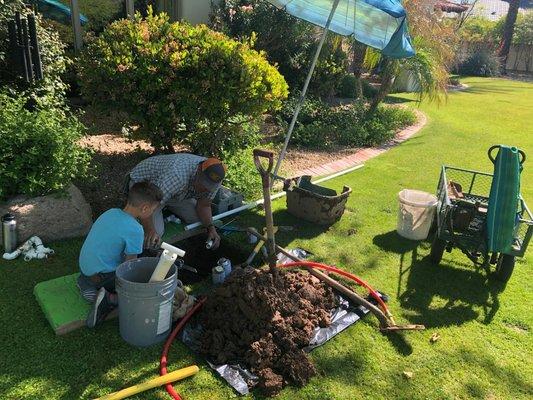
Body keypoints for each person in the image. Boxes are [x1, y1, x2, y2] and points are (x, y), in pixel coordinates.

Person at [77, 181, 163, 328]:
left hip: (86, 268)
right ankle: (110, 299)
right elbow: (129, 267)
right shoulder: (136, 229)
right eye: (153, 210)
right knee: (143, 284)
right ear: (144, 208)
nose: (153, 213)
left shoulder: (110, 212)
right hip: (102, 276)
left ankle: (87, 285)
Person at [128, 153, 226, 250]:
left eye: (208, 186)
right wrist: (150, 230)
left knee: (198, 220)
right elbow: (148, 204)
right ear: (199, 170)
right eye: (203, 183)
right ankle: (140, 213)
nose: (204, 188)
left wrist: (210, 227)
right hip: (145, 188)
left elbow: (204, 205)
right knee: (155, 235)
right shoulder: (177, 175)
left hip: (174, 192)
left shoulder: (215, 181)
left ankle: (165, 205)